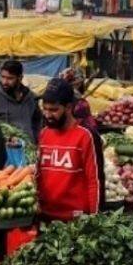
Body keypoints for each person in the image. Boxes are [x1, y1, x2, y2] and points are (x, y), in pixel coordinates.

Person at [37, 78, 101, 221]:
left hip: (75, 219)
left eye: (53, 110)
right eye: (45, 109)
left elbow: (94, 181)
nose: (47, 115)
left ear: (68, 107)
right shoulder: (44, 134)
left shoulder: (85, 136)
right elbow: (38, 174)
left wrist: (95, 219)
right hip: (45, 216)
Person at [0, 60, 41, 143]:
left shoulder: (30, 97)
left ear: (20, 78)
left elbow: (37, 121)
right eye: (3, 77)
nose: (5, 82)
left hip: (28, 150)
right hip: (5, 150)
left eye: (10, 78)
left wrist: (35, 139)